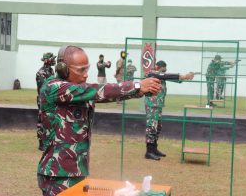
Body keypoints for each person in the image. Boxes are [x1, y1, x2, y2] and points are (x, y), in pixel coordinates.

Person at [37, 45, 161, 196]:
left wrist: (141, 91)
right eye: (81, 70)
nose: (86, 75)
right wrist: (136, 85)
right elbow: (97, 90)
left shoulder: (78, 90)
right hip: (57, 174)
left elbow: (106, 94)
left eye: (87, 69)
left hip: (76, 170)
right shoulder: (53, 87)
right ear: (63, 69)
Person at [144, 60, 194, 161]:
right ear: (157, 67)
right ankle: (149, 151)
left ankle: (154, 149)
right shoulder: (151, 73)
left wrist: (186, 77)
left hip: (158, 105)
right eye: (163, 69)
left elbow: (170, 77)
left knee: (158, 127)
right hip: (152, 104)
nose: (165, 71)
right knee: (151, 126)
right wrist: (182, 75)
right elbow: (164, 75)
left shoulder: (161, 76)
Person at [35, 52, 56, 151]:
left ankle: (49, 141)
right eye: (52, 59)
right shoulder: (41, 73)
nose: (54, 60)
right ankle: (41, 143)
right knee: (42, 120)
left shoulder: (51, 70)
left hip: (51, 99)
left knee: (50, 120)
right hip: (43, 100)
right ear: (47, 60)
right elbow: (44, 89)